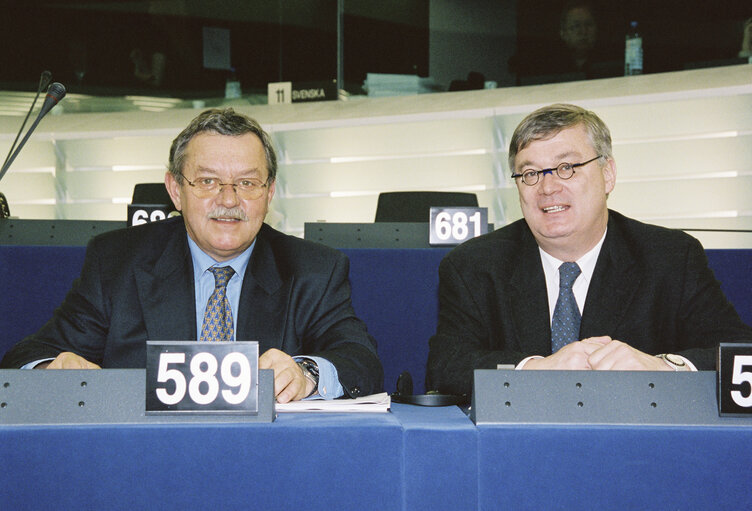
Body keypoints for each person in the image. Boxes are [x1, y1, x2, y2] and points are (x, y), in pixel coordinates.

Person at [0, 108, 383, 403]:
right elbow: (28, 354)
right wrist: (52, 367)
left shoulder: (313, 269)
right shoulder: (117, 261)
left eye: (247, 183)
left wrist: (308, 373)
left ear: (269, 193)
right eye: (207, 181)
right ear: (175, 190)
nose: (229, 199)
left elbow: (360, 360)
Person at [426, 103, 752, 397]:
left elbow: (740, 353)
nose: (548, 187)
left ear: (607, 174)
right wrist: (536, 369)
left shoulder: (669, 257)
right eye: (530, 173)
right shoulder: (475, 265)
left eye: (567, 167)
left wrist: (663, 368)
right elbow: (446, 368)